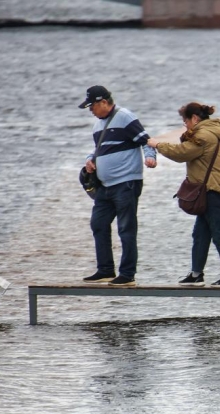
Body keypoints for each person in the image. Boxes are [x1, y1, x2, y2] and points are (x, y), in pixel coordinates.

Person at [147, 103, 220, 286]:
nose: (186, 125)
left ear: (195, 119)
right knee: (200, 234)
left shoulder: (204, 135)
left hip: (214, 190)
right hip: (214, 189)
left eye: (186, 121)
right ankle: (196, 274)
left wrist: (157, 144)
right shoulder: (213, 133)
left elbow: (182, 153)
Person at [80, 85, 157, 286]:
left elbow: (146, 140)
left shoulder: (125, 117)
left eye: (92, 106)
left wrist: (150, 157)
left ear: (103, 102)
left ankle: (127, 274)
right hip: (105, 186)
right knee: (98, 224)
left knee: (126, 228)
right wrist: (90, 159)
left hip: (126, 183)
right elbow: (100, 150)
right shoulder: (98, 125)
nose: (91, 111)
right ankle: (105, 270)